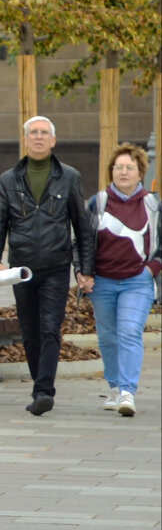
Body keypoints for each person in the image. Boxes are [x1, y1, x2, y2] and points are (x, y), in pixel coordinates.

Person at [0, 116, 95, 416]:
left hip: (56, 267)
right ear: (25, 139)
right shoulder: (9, 180)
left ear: (53, 140)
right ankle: (40, 386)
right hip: (21, 270)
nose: (38, 137)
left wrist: (85, 268)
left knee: (50, 328)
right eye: (33, 132)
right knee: (30, 332)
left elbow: (82, 227)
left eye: (43, 133)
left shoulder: (69, 177)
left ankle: (44, 391)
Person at [76, 142, 160, 417]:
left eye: (130, 168)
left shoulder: (152, 204)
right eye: (119, 167)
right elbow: (81, 241)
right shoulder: (97, 202)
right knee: (108, 337)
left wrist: (152, 268)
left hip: (138, 280)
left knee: (129, 331)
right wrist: (82, 272)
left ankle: (127, 392)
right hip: (102, 282)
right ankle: (113, 387)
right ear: (111, 171)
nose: (124, 172)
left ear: (140, 173)